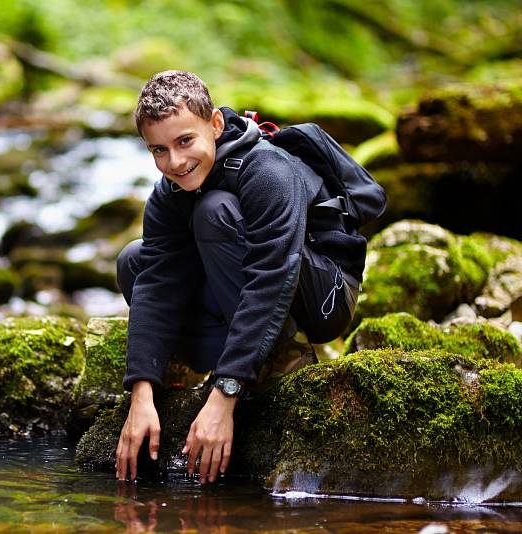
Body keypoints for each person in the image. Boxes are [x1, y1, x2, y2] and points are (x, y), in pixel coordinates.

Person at [115, 70, 365, 484]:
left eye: (185, 141)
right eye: (158, 150)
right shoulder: (167, 193)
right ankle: (214, 362)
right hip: (248, 283)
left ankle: (284, 357)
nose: (175, 162)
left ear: (214, 124)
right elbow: (157, 285)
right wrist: (142, 391)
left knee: (215, 211)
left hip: (321, 296)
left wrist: (225, 393)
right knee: (135, 262)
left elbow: (273, 275)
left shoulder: (267, 169)